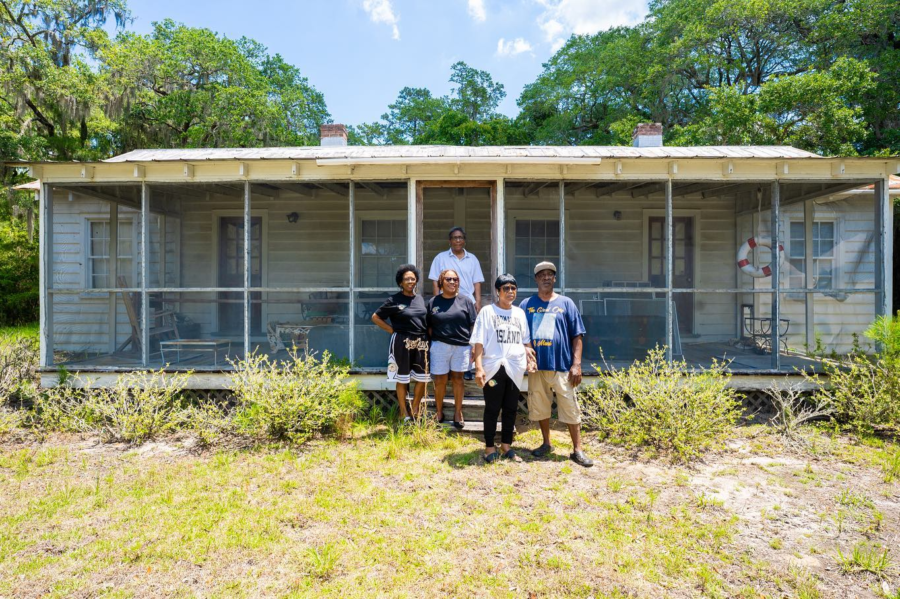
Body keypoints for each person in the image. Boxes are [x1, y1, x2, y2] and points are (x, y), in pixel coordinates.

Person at [520, 261, 594, 467]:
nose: (545, 277)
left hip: (562, 366)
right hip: (537, 367)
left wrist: (576, 364)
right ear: (536, 279)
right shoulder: (526, 304)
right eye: (541, 274)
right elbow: (519, 334)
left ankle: (577, 449)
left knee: (570, 407)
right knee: (540, 406)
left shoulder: (566, 303)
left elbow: (577, 336)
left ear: (554, 278)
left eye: (549, 274)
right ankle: (546, 443)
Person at [470, 274, 536, 463]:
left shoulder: (519, 314)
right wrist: (479, 368)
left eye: (513, 288)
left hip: (515, 367)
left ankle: (506, 445)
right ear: (498, 291)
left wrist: (530, 359)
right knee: (492, 408)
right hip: (494, 366)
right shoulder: (487, 312)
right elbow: (479, 342)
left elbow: (526, 342)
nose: (510, 292)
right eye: (505, 288)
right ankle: (489, 447)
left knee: (510, 408)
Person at [372, 264, 430, 423]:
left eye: (413, 278)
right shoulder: (394, 300)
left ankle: (415, 409)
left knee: (422, 378)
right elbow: (375, 317)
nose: (410, 281)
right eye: (407, 279)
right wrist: (392, 330)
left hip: (421, 342)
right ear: (401, 282)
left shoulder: (419, 299)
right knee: (402, 378)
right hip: (401, 342)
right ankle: (403, 412)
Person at [427, 269, 477, 429]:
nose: (453, 282)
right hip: (439, 346)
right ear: (441, 282)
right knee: (440, 380)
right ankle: (439, 411)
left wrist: (474, 346)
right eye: (449, 279)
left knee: (458, 379)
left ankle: (458, 412)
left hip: (461, 347)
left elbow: (473, 325)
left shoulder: (466, 301)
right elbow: (428, 327)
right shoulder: (433, 302)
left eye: (455, 279)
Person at [428, 226, 485, 311]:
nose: (458, 240)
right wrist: (437, 302)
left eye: (460, 237)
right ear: (450, 241)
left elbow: (477, 282)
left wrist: (478, 302)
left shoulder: (472, 259)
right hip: (445, 302)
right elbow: (435, 281)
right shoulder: (440, 258)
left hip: (468, 301)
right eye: (455, 238)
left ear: (464, 241)